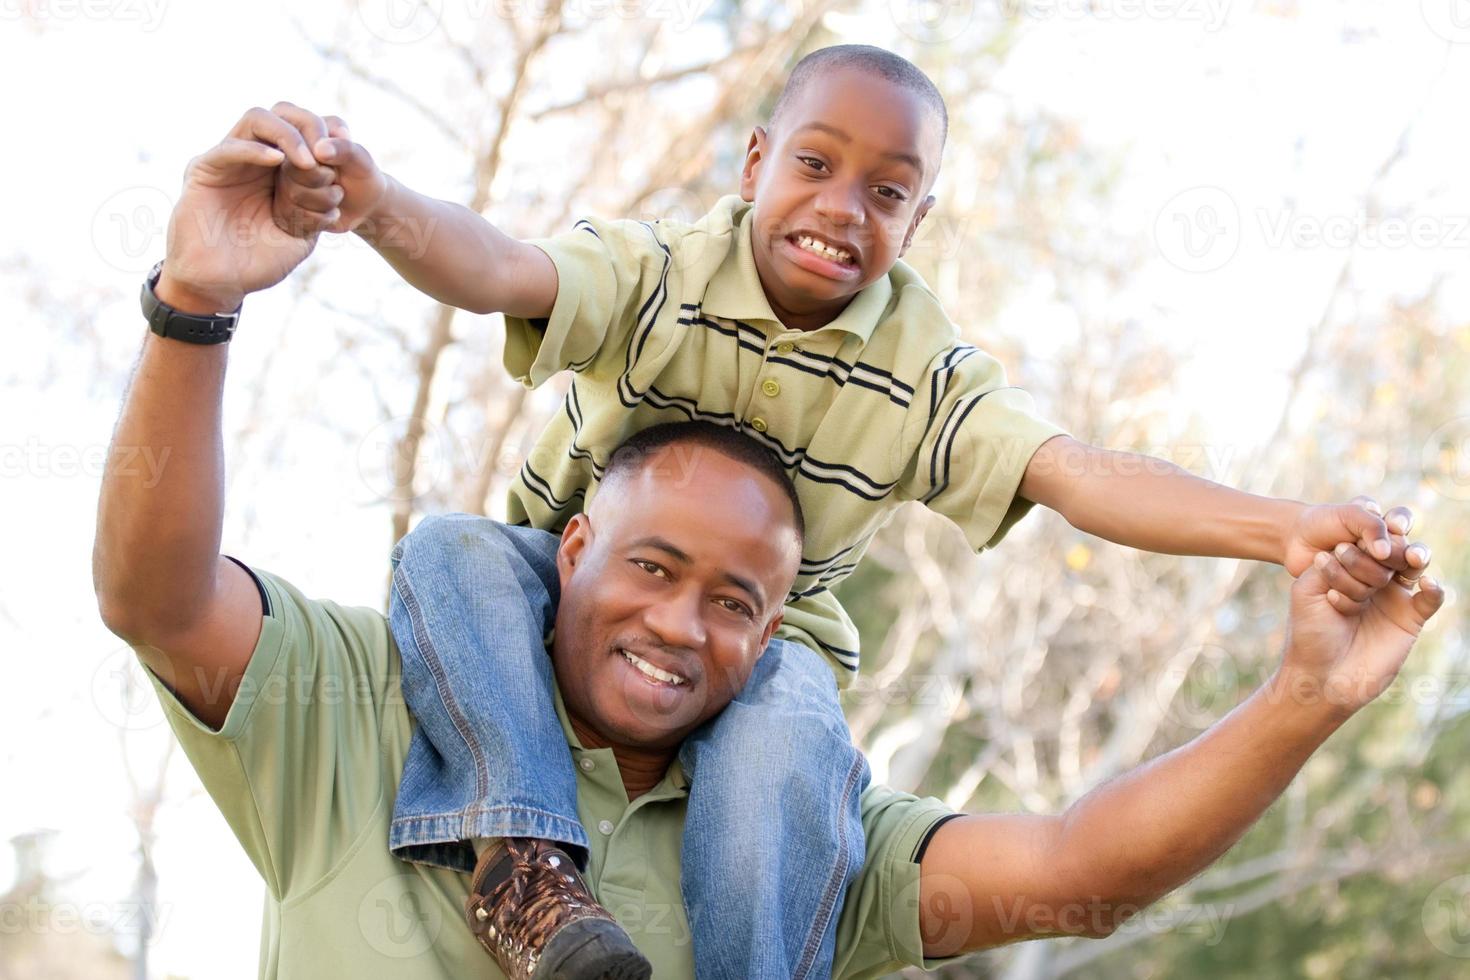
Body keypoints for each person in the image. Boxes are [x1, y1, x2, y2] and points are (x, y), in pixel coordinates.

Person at [88, 138, 1446, 972]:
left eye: (737, 599)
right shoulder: (369, 708)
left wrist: (1303, 691)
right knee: (447, 547)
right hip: (475, 626)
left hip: (783, 759)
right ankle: (518, 859)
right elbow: (153, 597)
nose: (682, 624)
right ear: (571, 551)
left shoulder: (786, 817)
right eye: (651, 570)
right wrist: (201, 301)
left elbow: (1078, 871)